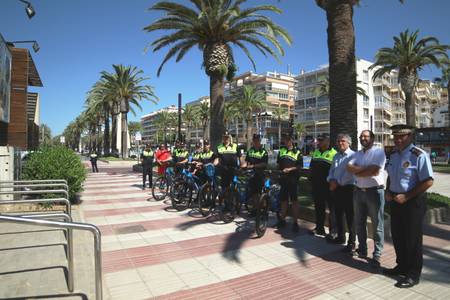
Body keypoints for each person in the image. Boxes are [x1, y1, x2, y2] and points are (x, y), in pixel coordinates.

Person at [383, 125, 434, 288]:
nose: (397, 140)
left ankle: (413, 274)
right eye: (395, 137)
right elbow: (390, 176)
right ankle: (402, 266)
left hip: (413, 203)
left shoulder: (419, 155)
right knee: (398, 236)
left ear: (410, 136)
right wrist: (388, 191)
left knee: (412, 239)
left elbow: (428, 181)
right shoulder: (393, 155)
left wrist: (407, 196)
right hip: (396, 201)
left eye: (402, 137)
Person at [347, 130, 386, 267]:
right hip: (358, 192)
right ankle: (362, 250)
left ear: (372, 138)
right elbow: (349, 167)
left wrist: (358, 171)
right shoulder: (357, 153)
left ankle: (377, 254)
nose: (363, 138)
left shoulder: (379, 152)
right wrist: (364, 170)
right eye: (361, 136)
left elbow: (374, 171)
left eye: (366, 136)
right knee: (359, 223)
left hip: (374, 192)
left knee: (377, 224)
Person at [327, 134, 355, 251]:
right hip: (336, 189)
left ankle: (352, 242)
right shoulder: (336, 156)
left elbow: (350, 174)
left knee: (350, 216)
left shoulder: (353, 156)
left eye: (343, 141)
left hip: (348, 189)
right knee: (338, 214)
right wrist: (331, 180)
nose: (340, 143)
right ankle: (341, 236)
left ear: (349, 143)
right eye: (338, 141)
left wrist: (337, 183)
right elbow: (331, 171)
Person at [309, 134, 337, 238]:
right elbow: (311, 167)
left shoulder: (334, 153)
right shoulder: (316, 152)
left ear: (328, 141)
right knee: (319, 208)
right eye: (319, 140)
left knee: (332, 209)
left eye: (322, 140)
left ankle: (333, 231)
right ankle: (319, 229)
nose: (319, 142)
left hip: (329, 187)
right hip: (317, 186)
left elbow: (336, 170)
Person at [276, 134, 303, 232]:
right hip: (283, 180)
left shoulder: (298, 152)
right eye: (285, 140)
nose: (286, 141)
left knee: (294, 201)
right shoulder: (281, 151)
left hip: (293, 180)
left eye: (288, 140)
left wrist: (290, 169)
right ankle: (282, 220)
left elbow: (300, 166)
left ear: (291, 140)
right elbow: (278, 164)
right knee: (283, 201)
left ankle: (295, 222)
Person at [242, 134, 268, 216]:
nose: (256, 142)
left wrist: (254, 166)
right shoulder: (250, 151)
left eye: (257, 140)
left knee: (259, 193)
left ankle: (263, 210)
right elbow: (247, 161)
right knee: (253, 193)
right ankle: (255, 210)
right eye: (254, 140)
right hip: (251, 175)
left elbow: (264, 164)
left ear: (259, 141)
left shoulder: (264, 151)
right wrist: (244, 165)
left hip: (260, 175)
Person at [213, 131, 241, 195]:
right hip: (224, 169)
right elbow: (217, 158)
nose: (226, 138)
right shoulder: (219, 147)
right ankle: (225, 202)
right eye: (224, 137)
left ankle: (234, 200)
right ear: (223, 138)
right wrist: (213, 164)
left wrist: (242, 166)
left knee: (233, 187)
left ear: (229, 138)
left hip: (233, 169)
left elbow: (240, 157)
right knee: (224, 187)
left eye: (227, 137)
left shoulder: (235, 146)